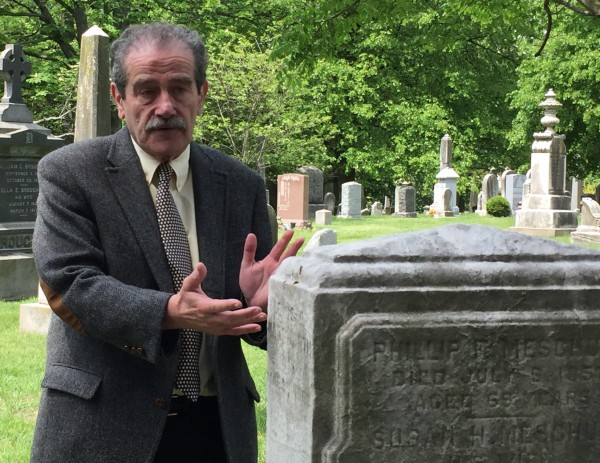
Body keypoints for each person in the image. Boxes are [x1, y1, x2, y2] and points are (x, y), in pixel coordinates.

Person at [30, 22, 303, 463]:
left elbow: (251, 322)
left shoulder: (240, 185)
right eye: (146, 91)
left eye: (179, 88)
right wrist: (169, 313)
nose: (165, 106)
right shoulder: (70, 173)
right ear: (119, 99)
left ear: (202, 93)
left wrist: (266, 307)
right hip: (103, 426)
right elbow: (70, 285)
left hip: (217, 429)